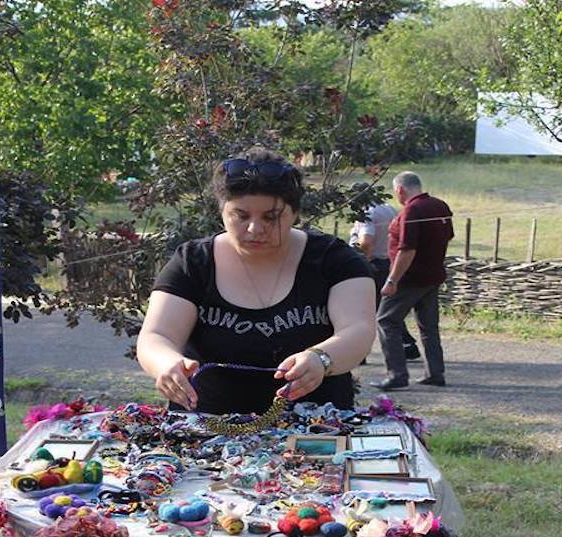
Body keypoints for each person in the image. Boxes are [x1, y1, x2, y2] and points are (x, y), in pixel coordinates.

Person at [138, 147, 376, 415]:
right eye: (241, 216)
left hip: (317, 427)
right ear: (222, 211)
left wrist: (321, 358)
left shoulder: (335, 260)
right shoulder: (192, 262)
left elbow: (358, 330)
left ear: (295, 213)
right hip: (205, 427)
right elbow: (157, 336)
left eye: (271, 217)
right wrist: (166, 363)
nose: (255, 229)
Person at [371, 171, 453, 390]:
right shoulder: (440, 205)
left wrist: (392, 280)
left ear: (400, 189)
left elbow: (407, 249)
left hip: (409, 279)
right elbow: (447, 237)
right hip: (432, 276)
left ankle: (397, 375)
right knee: (428, 326)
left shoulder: (412, 210)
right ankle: (435, 373)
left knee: (386, 320)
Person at [348, 189, 421, 361]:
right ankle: (407, 345)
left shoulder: (367, 214)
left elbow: (366, 242)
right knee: (386, 309)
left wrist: (361, 260)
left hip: (373, 265)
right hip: (389, 262)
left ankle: (360, 352)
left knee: (363, 311)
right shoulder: (389, 209)